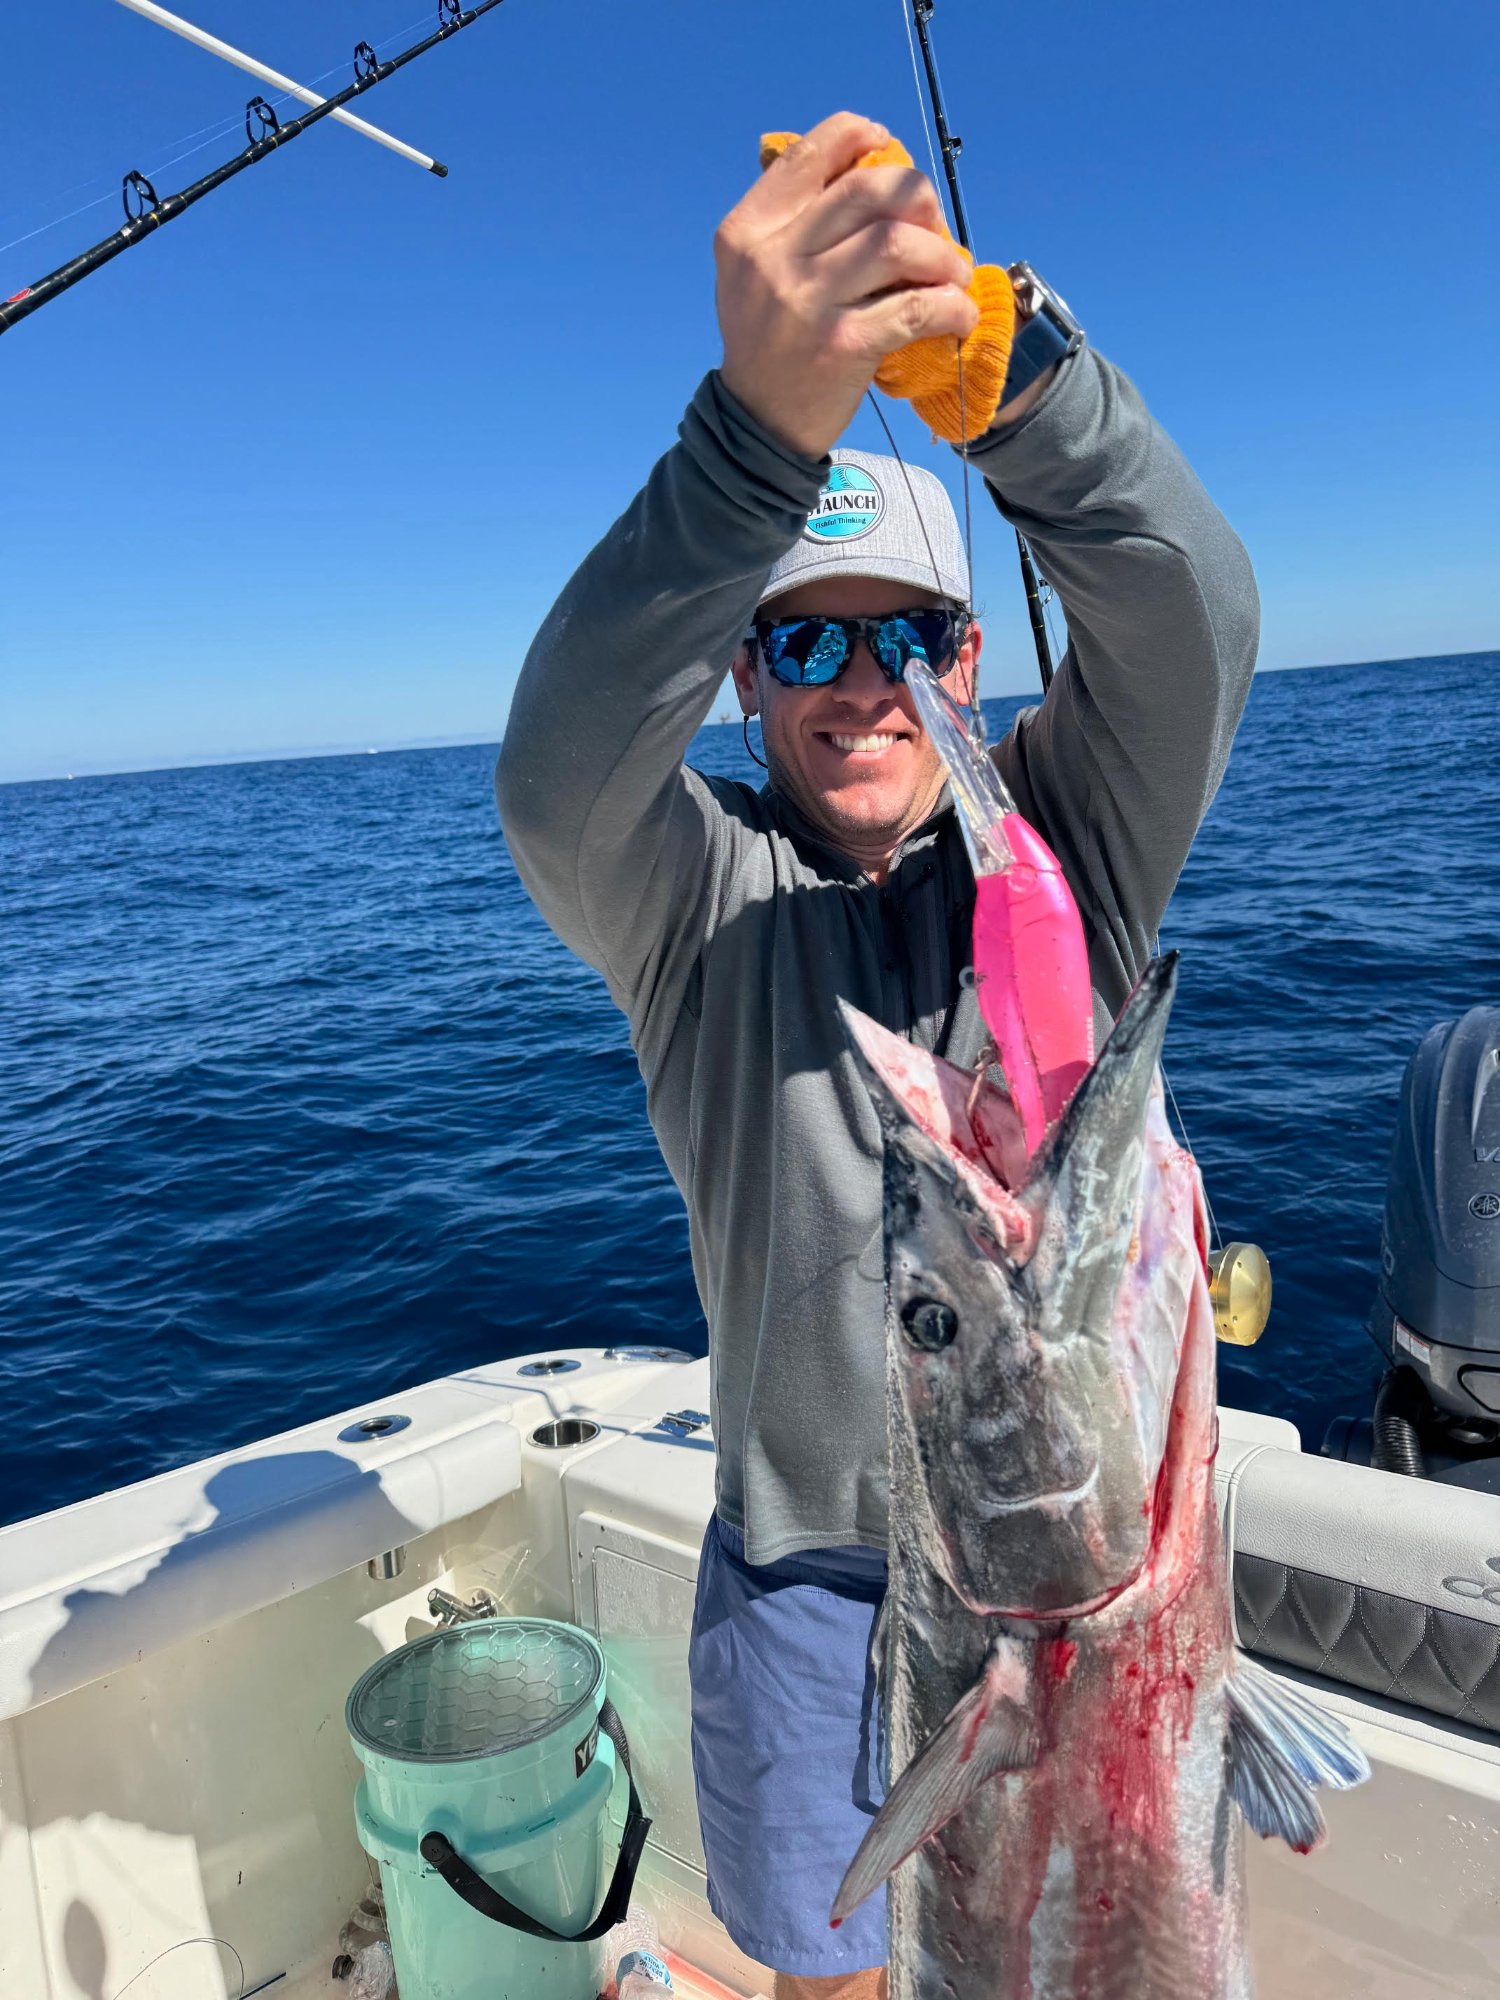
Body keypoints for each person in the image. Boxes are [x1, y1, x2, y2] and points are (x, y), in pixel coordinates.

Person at [496, 113, 1258, 2000]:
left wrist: (1005, 377)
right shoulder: (697, 908)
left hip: (1099, 1569)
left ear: (970, 659)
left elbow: (1190, 619)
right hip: (809, 1591)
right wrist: (752, 439)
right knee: (843, 1976)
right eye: (803, 647)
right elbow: (560, 770)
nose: (854, 684)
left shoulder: (1066, 841)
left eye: (900, 639)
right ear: (743, 682)